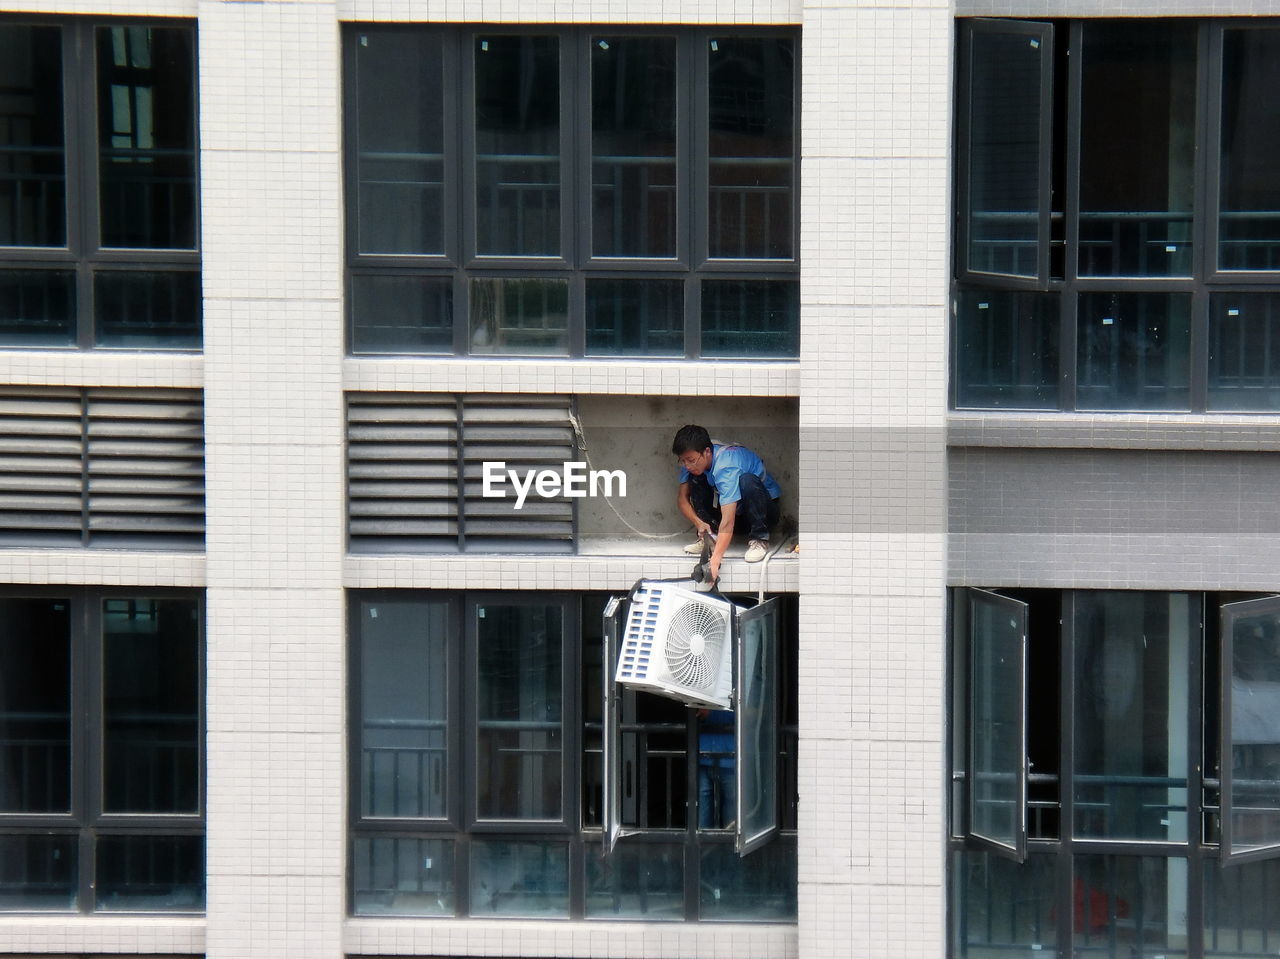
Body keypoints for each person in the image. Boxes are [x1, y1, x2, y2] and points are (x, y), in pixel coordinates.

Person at [672, 424, 782, 582]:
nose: (687, 465)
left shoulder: (727, 465)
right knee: (696, 477)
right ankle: (710, 537)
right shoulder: (691, 460)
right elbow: (682, 499)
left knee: (747, 480)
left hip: (764, 514)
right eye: (683, 461)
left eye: (690, 460)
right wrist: (699, 523)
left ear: (707, 452)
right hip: (737, 514)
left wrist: (715, 561)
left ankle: (760, 539)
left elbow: (728, 521)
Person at [697, 708, 735, 829]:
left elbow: (752, 713)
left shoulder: (741, 689)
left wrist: (712, 714)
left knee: (732, 823)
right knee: (702, 822)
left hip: (730, 759)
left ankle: (731, 847)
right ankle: (702, 847)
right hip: (704, 757)